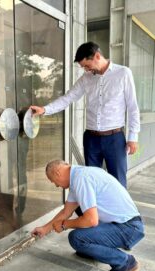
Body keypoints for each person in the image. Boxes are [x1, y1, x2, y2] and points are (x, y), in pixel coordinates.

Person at [31, 41, 140, 189]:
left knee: (118, 183)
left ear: (97, 56)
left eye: (87, 65)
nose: (86, 70)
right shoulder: (86, 78)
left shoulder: (123, 73)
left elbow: (133, 107)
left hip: (114, 139)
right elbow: (68, 98)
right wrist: (45, 110)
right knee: (91, 182)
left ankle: (123, 212)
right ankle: (94, 213)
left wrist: (133, 137)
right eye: (83, 67)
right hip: (91, 139)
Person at [31, 160, 144, 271]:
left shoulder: (81, 179)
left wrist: (64, 225)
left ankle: (124, 262)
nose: (56, 186)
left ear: (58, 173)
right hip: (126, 225)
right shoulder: (79, 176)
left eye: (53, 181)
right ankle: (93, 251)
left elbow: (91, 220)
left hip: (128, 228)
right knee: (82, 228)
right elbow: (66, 212)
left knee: (77, 238)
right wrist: (45, 228)